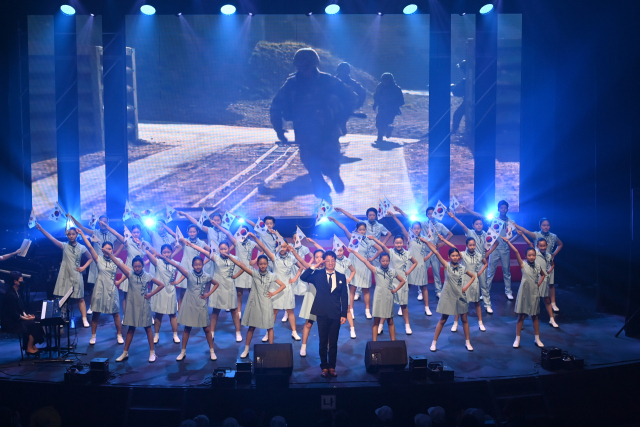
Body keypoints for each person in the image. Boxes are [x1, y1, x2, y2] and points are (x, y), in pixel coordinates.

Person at [270, 48, 357, 198]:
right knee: (310, 159)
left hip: (328, 128)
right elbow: (276, 106)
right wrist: (278, 129)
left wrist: (341, 117)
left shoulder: (328, 81)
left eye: (307, 65)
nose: (305, 69)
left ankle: (334, 176)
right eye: (301, 65)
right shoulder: (292, 84)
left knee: (331, 156)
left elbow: (351, 97)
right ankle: (318, 182)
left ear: (315, 64)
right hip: (305, 129)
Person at [179, 239, 247, 343]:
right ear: (219, 249)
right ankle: (212, 332)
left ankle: (238, 332)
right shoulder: (215, 257)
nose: (223, 250)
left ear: (229, 249)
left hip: (229, 285)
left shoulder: (234, 258)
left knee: (234, 310)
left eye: (225, 248)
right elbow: (202, 250)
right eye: (222, 248)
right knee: (215, 311)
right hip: (218, 286)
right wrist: (192, 245)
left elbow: (244, 267)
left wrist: (235, 276)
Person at [300, 251, 348, 378]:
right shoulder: (318, 274)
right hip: (321, 312)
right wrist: (315, 266)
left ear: (335, 262)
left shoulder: (341, 276)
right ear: (324, 262)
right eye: (327, 260)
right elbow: (303, 277)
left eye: (333, 260)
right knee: (322, 341)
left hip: (336, 313)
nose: (330, 263)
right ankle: (324, 366)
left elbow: (344, 296)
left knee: (333, 342)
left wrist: (344, 314)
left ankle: (332, 366)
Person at [35, 223, 92, 327]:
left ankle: (84, 319)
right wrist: (41, 229)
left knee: (80, 298)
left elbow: (91, 258)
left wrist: (84, 267)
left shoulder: (82, 247)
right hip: (64, 275)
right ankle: (62, 319)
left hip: (76, 274)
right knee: (62, 299)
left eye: (73, 234)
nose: (71, 236)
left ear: (76, 235)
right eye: (69, 234)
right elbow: (51, 238)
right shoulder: (64, 246)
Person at [425, 240, 476, 352]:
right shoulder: (446, 265)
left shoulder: (462, 268)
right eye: (453, 255)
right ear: (449, 257)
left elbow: (473, 276)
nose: (455, 257)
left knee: (464, 319)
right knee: (443, 320)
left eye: (457, 255)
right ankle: (434, 343)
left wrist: (465, 287)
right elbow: (436, 252)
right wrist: (426, 242)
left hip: (460, 295)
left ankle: (468, 342)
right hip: (448, 295)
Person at [76, 229, 124, 344]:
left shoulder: (117, 260)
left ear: (112, 250)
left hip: (112, 290)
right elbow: (90, 247)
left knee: (116, 313)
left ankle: (119, 335)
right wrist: (82, 234)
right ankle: (93, 336)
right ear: (102, 250)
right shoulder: (98, 259)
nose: (108, 250)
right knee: (96, 313)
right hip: (99, 289)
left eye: (110, 248)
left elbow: (127, 272)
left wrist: (119, 281)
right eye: (105, 249)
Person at [114, 256, 165, 363]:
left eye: (139, 266)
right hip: (132, 305)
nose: (137, 268)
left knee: (148, 328)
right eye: (135, 266)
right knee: (131, 329)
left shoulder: (147, 276)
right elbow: (119, 264)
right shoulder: (130, 274)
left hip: (144, 305)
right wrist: (110, 255)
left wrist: (151, 294)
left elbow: (161, 284)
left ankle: (152, 352)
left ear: (142, 266)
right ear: (132, 267)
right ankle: (125, 352)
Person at [329, 216, 382, 318]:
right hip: (354, 265)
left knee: (366, 289)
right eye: (360, 229)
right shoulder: (353, 238)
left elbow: (380, 249)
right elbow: (344, 228)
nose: (362, 231)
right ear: (357, 230)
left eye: (363, 229)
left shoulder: (368, 240)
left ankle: (367, 311)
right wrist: (335, 219)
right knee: (352, 288)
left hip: (365, 266)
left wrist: (371, 258)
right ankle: (351, 310)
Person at [395, 205, 453, 298]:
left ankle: (438, 291)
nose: (431, 215)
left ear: (436, 214)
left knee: (436, 272)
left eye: (433, 213)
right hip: (422, 251)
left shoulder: (440, 225)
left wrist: (442, 244)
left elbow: (450, 234)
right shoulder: (423, 224)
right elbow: (409, 218)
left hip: (434, 252)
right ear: (426, 215)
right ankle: (420, 292)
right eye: (429, 214)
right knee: (421, 272)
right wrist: (400, 210)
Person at [334, 206, 390, 302]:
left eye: (373, 215)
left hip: (371, 255)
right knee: (355, 278)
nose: (372, 216)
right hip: (358, 257)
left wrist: (381, 245)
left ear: (376, 216)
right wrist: (338, 214)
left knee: (377, 274)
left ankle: (381, 293)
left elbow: (384, 241)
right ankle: (355, 296)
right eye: (370, 215)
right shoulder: (357, 233)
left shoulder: (378, 228)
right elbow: (349, 221)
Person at [462, 200, 516, 300]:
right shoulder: (494, 219)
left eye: (505, 208)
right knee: (490, 271)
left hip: (505, 249)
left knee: (507, 271)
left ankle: (508, 291)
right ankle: (485, 292)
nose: (503, 209)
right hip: (494, 249)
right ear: (498, 209)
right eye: (501, 207)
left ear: (507, 209)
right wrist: (468, 210)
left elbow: (517, 233)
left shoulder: (510, 222)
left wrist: (509, 242)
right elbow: (480, 215)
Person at [252, 237, 303, 342]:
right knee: (274, 312)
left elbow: (301, 267)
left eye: (284, 246)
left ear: (288, 247)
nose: (282, 248)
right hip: (275, 287)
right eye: (280, 246)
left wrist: (295, 278)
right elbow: (264, 247)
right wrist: (255, 238)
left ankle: (294, 331)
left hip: (287, 288)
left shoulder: (291, 258)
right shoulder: (274, 257)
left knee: (290, 311)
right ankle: (268, 332)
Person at [438, 234, 492, 332]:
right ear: (466, 245)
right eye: (470, 245)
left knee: (477, 302)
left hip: (473, 281)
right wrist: (444, 240)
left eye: (473, 245)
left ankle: (480, 322)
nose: (472, 247)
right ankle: (455, 323)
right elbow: (453, 247)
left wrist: (479, 273)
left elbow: (485, 263)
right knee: (459, 303)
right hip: (462, 280)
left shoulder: (479, 255)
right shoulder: (462, 254)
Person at [69, 213, 120, 316]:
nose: (103, 223)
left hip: (109, 263)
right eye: (101, 222)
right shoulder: (95, 232)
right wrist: (72, 218)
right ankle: (92, 306)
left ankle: (110, 305)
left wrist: (115, 255)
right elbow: (82, 227)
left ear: (108, 223)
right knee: (94, 286)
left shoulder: (112, 234)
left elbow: (123, 242)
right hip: (97, 262)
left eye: (105, 222)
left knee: (109, 286)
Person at [239, 252, 287, 359]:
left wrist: (273, 293)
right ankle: (246, 349)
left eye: (265, 264)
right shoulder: (254, 273)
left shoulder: (271, 275)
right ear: (258, 264)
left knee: (270, 327)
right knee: (251, 327)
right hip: (255, 303)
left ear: (267, 264)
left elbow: (283, 285)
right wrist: (229, 256)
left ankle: (270, 350)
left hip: (266, 303)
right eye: (260, 264)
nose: (263, 266)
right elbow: (241, 265)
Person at [350, 250, 405, 341]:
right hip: (378, 297)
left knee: (390, 320)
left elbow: (402, 281)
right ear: (379, 261)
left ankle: (393, 342)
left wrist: (395, 290)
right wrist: (353, 252)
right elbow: (364, 260)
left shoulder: (392, 271)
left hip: (388, 297)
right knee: (376, 321)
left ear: (389, 261)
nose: (385, 262)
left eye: (387, 260)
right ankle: (374, 343)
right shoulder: (376, 270)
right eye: (383, 261)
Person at [502, 237, 547, 348]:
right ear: (525, 256)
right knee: (521, 316)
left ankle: (537, 338)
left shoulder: (537, 266)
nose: (531, 257)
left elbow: (543, 274)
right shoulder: (523, 264)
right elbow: (516, 251)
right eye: (529, 255)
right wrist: (508, 241)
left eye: (533, 255)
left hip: (534, 293)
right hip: (524, 293)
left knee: (535, 316)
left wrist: (538, 284)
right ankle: (517, 339)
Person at [367, 234, 417, 335]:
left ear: (403, 243)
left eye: (400, 242)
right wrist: (374, 238)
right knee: (387, 306)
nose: (398, 244)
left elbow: (415, 262)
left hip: (402, 280)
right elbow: (382, 245)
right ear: (394, 243)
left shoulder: (407, 253)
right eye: (396, 242)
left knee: (404, 305)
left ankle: (407, 326)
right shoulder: (391, 252)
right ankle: (380, 326)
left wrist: (408, 272)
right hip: (390, 281)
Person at [447, 210, 493, 313]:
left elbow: (496, 242)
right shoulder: (470, 232)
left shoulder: (486, 234)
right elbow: (462, 225)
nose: (479, 225)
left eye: (481, 224)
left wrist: (487, 254)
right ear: (473, 225)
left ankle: (487, 305)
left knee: (484, 285)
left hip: (481, 262)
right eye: (477, 224)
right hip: (469, 262)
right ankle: (464, 303)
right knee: (467, 284)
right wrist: (454, 217)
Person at [388, 211, 434, 315]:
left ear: (421, 229)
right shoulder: (409, 236)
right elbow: (401, 226)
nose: (416, 230)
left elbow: (434, 248)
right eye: (415, 228)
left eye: (418, 228)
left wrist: (426, 257)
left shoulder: (425, 238)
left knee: (424, 287)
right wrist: (394, 216)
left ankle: (427, 307)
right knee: (405, 287)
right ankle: (401, 306)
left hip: (421, 265)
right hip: (409, 266)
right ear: (412, 229)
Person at [513, 218, 563, 311]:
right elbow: (525, 230)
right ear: (540, 226)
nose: (546, 227)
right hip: (537, 263)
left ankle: (553, 303)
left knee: (551, 284)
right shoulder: (537, 234)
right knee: (534, 283)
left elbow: (560, 244)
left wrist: (554, 254)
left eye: (547, 225)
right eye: (543, 225)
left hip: (548, 262)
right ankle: (531, 304)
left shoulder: (553, 236)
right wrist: (515, 224)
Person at [175, 256, 219, 361]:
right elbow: (177, 265)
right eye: (196, 265)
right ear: (192, 265)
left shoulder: (207, 276)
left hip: (201, 304)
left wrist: (208, 294)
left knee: (207, 329)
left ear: (203, 265)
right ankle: (182, 352)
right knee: (187, 329)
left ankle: (212, 351)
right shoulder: (189, 274)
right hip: (189, 304)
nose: (198, 266)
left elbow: (216, 284)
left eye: (200, 264)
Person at [99, 221, 147, 314]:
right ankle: (125, 317)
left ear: (140, 232)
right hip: (128, 271)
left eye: (137, 232)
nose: (136, 234)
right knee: (126, 295)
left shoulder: (144, 243)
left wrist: (142, 248)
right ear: (131, 233)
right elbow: (116, 234)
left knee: (142, 294)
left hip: (141, 272)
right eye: (134, 232)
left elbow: (149, 254)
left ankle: (145, 315)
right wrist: (106, 226)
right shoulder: (127, 241)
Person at [518, 231, 558, 328]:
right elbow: (528, 243)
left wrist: (548, 272)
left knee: (546, 300)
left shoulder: (548, 255)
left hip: (544, 280)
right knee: (528, 300)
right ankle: (521, 321)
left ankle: (552, 319)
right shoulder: (535, 253)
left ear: (546, 245)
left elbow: (553, 264)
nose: (543, 247)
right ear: (537, 246)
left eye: (544, 246)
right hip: (534, 278)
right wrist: (522, 234)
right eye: (541, 246)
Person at [290, 246, 325, 357]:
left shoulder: (328, 269)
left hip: (324, 300)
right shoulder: (312, 268)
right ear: (314, 258)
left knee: (325, 325)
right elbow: (301, 261)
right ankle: (303, 346)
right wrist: (293, 251)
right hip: (312, 297)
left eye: (321, 257)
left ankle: (327, 346)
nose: (319, 259)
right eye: (317, 257)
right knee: (308, 323)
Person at [1, 271, 44, 356]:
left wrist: (26, 315)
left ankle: (32, 344)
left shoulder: (17, 292)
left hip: (16, 318)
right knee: (32, 324)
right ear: (15, 281)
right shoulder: (10, 295)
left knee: (36, 320)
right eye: (21, 280)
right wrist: (26, 318)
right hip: (10, 322)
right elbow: (13, 313)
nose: (22, 282)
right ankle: (28, 348)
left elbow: (21, 309)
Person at [144, 244, 181, 344]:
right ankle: (156, 335)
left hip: (170, 291)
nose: (166, 254)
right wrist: (145, 248)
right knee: (158, 314)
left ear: (171, 252)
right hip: (159, 291)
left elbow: (185, 272)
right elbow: (150, 256)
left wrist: (177, 282)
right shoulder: (158, 262)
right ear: (161, 253)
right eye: (164, 252)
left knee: (172, 314)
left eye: (168, 252)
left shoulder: (175, 263)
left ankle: (175, 334)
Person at [173, 223, 210, 309]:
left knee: (198, 291)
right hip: (185, 268)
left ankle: (198, 310)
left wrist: (203, 263)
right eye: (190, 232)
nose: (192, 233)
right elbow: (175, 235)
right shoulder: (184, 241)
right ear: (187, 232)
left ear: (197, 232)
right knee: (183, 292)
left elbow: (211, 253)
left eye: (194, 232)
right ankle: (180, 312)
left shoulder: (201, 243)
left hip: (197, 269)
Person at [330, 242, 357, 338]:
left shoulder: (347, 260)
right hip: (333, 287)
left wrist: (349, 279)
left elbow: (353, 270)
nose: (339, 252)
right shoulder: (331, 260)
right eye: (337, 250)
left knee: (347, 309)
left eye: (340, 250)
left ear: (343, 250)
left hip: (344, 287)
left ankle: (352, 329)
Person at [373, 73, 404, 142]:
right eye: (384, 80)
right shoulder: (380, 87)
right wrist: (375, 104)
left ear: (390, 80)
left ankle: (388, 129)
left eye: (386, 80)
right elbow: (376, 96)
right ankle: (380, 137)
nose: (385, 82)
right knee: (379, 122)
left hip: (391, 110)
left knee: (386, 122)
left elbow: (401, 101)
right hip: (382, 108)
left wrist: (394, 106)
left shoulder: (396, 89)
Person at [451, 60, 467, 134]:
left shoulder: (466, 80)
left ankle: (454, 130)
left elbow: (457, 92)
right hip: (468, 101)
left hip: (468, 102)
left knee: (457, 114)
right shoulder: (467, 79)